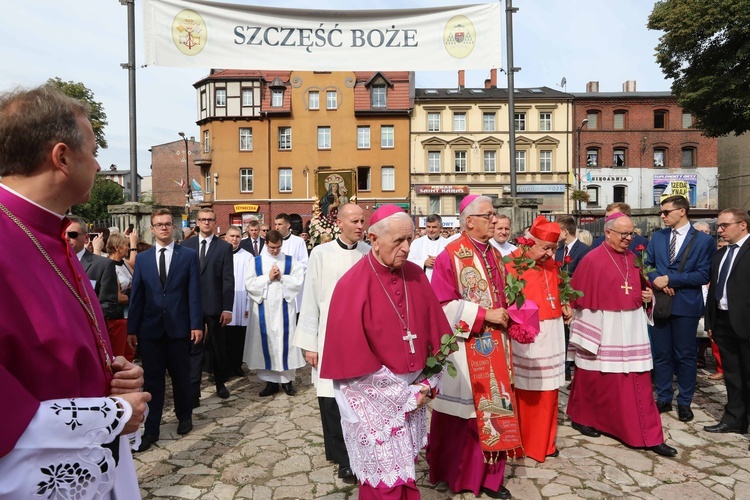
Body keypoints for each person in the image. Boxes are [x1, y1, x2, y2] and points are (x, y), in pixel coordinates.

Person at [0, 84, 148, 497]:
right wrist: (109, 415)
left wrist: (113, 374)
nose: (100, 166)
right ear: (62, 157)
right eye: (94, 151)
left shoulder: (52, 234)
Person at [320, 205, 451, 499]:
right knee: (385, 484)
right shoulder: (351, 284)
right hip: (374, 404)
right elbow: (350, 364)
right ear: (374, 239)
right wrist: (405, 396)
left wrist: (428, 384)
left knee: (406, 471)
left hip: (413, 392)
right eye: (398, 241)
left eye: (410, 239)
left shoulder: (416, 275)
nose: (407, 248)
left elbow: (440, 341)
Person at [567, 213, 677, 457]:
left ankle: (647, 434)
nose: (629, 238)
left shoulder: (634, 258)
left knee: (635, 379)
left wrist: (649, 297)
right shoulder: (591, 259)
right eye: (624, 234)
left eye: (631, 233)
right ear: (608, 233)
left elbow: (642, 288)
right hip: (604, 325)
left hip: (631, 327)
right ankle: (583, 418)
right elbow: (579, 298)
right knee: (593, 377)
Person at [429, 195, 517, 500]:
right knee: (463, 417)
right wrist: (482, 315)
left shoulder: (494, 254)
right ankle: (455, 473)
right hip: (466, 349)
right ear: (469, 221)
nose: (494, 219)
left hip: (497, 345)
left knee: (497, 408)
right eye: (488, 215)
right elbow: (440, 306)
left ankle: (491, 479)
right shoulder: (451, 255)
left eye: (494, 215)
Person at [293, 203, 369, 482]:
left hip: (361, 339)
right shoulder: (321, 254)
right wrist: (309, 343)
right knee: (330, 400)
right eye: (355, 221)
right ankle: (342, 459)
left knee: (358, 401)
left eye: (363, 220)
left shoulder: (368, 254)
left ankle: (361, 452)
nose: (360, 226)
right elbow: (310, 298)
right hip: (328, 337)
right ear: (339, 222)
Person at [128, 208, 203, 452]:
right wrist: (132, 329)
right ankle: (152, 429)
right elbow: (137, 296)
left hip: (180, 329)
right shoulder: (143, 259)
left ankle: (184, 416)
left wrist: (196, 324)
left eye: (168, 224)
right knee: (152, 382)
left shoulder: (188, 256)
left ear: (174, 227)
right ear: (151, 229)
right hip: (150, 331)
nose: (163, 228)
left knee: (182, 377)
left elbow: (194, 293)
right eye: (159, 224)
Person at [645, 195, 715, 422]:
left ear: (682, 211)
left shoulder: (703, 241)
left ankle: (685, 401)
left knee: (685, 356)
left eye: (666, 212)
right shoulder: (657, 237)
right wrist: (657, 280)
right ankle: (664, 397)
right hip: (660, 304)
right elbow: (647, 264)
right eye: (661, 212)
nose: (662, 216)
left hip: (686, 305)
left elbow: (704, 274)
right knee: (662, 354)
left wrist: (670, 280)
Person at [506, 216, 570, 462]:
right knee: (526, 389)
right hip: (529, 333)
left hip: (552, 332)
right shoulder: (512, 264)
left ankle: (545, 441)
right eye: (545, 248)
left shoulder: (552, 266)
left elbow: (557, 291)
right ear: (529, 242)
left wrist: (565, 303)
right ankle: (526, 441)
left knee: (549, 389)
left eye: (553, 249)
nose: (549, 254)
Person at [704, 208, 750, 444]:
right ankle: (734, 419)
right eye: (719, 226)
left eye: (724, 225)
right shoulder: (720, 255)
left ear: (742, 225)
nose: (719, 230)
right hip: (723, 322)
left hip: (746, 323)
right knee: (732, 375)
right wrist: (711, 321)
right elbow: (714, 290)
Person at [182, 208, 235, 401]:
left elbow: (228, 279)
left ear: (214, 222)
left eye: (210, 220)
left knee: (217, 347)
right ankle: (194, 390)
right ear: (197, 222)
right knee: (193, 348)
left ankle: (220, 383)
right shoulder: (186, 246)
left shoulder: (223, 247)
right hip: (191, 306)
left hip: (215, 305)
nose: (206, 223)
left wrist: (227, 308)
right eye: (203, 220)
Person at [244, 230, 306, 396]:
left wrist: (282, 278)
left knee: (285, 345)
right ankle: (270, 383)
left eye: (278, 247)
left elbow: (298, 282)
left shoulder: (291, 262)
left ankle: (287, 381)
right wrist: (268, 278)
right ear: (266, 243)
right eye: (272, 247)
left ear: (282, 244)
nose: (275, 251)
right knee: (268, 344)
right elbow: (249, 284)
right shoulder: (256, 262)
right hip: (264, 309)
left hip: (284, 309)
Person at [555, 216, 590, 381]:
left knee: (574, 336)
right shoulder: (559, 250)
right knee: (562, 335)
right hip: (559, 298)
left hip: (574, 299)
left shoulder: (583, 250)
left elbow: (583, 276)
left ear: (565, 231)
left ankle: (573, 367)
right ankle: (564, 368)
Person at [224, 225, 253, 377]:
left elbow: (250, 281)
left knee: (239, 336)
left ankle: (237, 365)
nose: (234, 239)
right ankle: (225, 366)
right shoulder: (221, 253)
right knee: (225, 336)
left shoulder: (247, 256)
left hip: (241, 300)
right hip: (225, 302)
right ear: (226, 238)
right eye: (232, 236)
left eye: (237, 236)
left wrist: (249, 304)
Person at [266, 213, 308, 313]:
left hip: (291, 285)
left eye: (280, 224)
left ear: (288, 225)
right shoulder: (271, 241)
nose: (277, 227)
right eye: (275, 224)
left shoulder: (298, 242)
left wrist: (289, 275)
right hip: (275, 283)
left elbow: (304, 264)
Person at [106, 232, 135, 361]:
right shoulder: (108, 266)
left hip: (129, 316)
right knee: (119, 355)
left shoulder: (124, 264)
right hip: (118, 317)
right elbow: (116, 297)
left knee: (129, 352)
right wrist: (135, 298)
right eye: (126, 245)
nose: (128, 248)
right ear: (117, 247)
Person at [407, 213, 448, 282]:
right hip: (421, 280)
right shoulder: (417, 243)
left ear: (440, 228)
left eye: (434, 227)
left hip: (441, 281)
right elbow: (408, 262)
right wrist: (424, 263)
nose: (431, 230)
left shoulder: (447, 243)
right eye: (428, 227)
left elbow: (451, 263)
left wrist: (439, 262)